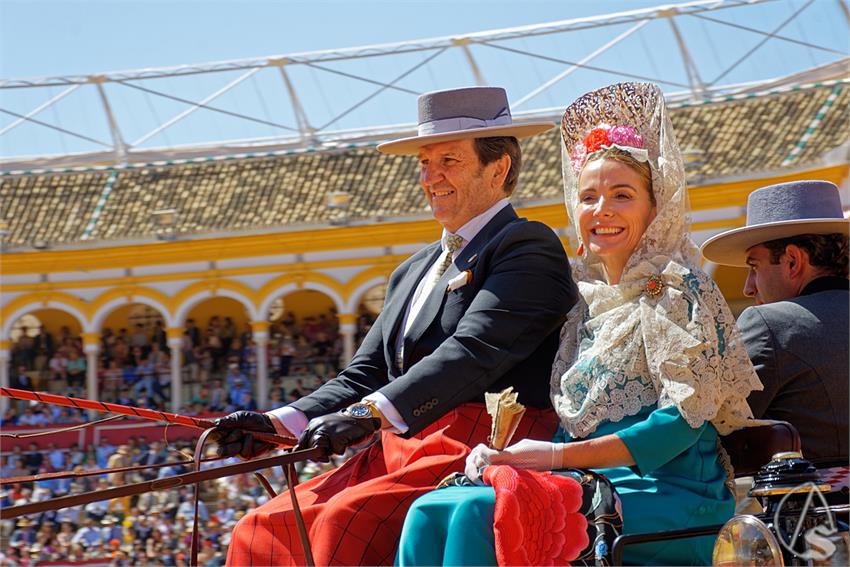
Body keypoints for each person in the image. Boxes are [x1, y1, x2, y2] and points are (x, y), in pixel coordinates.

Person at [397, 82, 762, 566]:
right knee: (430, 510)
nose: (602, 210)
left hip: (664, 495)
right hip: (585, 484)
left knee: (477, 515)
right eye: (589, 197)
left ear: (655, 208)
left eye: (622, 195)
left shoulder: (678, 290)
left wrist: (553, 459)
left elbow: (679, 425)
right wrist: (509, 458)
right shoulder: (581, 305)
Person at [211, 86, 578, 565]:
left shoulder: (526, 244)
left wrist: (367, 415)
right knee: (259, 527)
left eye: (449, 159)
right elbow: (365, 372)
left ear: (499, 167)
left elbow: (473, 351)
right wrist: (279, 423)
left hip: (482, 441)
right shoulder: (413, 268)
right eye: (424, 163)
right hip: (401, 445)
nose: (431, 176)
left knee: (344, 522)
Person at [701, 180, 849, 495]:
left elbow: (710, 427)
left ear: (793, 261)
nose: (748, 287)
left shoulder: (770, 323)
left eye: (754, 267)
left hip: (815, 525)